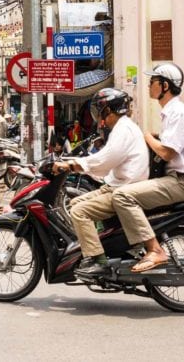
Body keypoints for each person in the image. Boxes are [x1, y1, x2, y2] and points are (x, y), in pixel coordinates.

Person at [110, 63, 184, 273]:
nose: (148, 86)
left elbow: (167, 152)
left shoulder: (179, 113)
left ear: (164, 86)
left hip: (182, 182)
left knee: (122, 196)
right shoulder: (170, 113)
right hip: (174, 179)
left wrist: (146, 136)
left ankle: (155, 250)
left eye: (152, 82)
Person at [54, 88, 149, 276]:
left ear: (107, 111)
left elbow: (105, 161)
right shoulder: (121, 128)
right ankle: (103, 243)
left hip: (123, 188)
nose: (99, 116)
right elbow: (106, 162)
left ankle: (99, 260)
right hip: (117, 184)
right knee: (74, 202)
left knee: (78, 212)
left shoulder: (123, 129)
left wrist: (72, 165)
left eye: (100, 110)